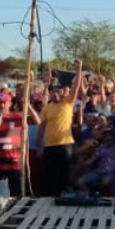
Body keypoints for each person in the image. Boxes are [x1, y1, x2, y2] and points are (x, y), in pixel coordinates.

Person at [36, 60, 84, 197]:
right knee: (50, 174)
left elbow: (76, 87)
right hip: (49, 146)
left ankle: (66, 195)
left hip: (64, 145)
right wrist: (39, 146)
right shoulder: (46, 108)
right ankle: (50, 197)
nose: (55, 94)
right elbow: (41, 128)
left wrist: (79, 69)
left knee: (66, 173)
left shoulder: (68, 103)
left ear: (62, 92)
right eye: (53, 91)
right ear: (50, 93)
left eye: (58, 91)